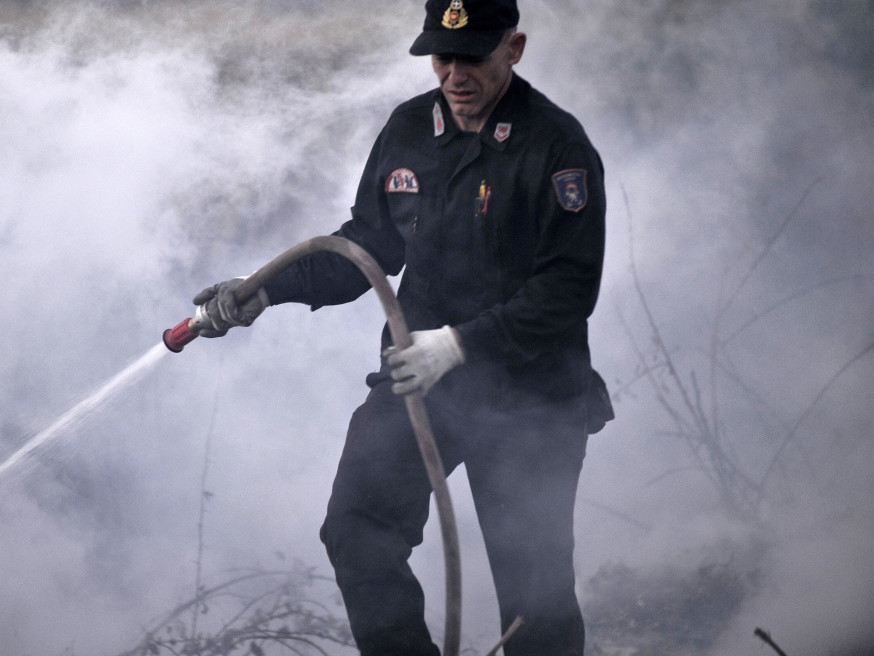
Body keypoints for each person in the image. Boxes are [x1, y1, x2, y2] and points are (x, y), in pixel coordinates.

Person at [192, 0, 610, 654]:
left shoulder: (557, 147)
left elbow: (568, 289)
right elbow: (367, 244)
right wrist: (265, 289)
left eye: (473, 56)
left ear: (514, 49)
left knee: (535, 597)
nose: (455, 74)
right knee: (356, 530)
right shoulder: (410, 128)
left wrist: (460, 343)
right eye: (443, 57)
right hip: (420, 381)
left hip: (532, 397)